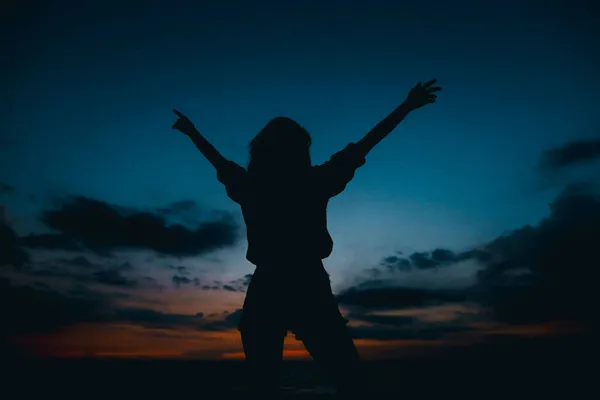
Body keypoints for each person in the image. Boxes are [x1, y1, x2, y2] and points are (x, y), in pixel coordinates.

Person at [172, 79, 441, 398]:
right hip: (305, 282)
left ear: (259, 152)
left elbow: (217, 161)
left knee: (267, 382)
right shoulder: (311, 181)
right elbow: (365, 144)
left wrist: (192, 133)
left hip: (273, 284)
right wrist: (406, 106)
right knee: (347, 378)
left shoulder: (254, 186)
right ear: (301, 151)